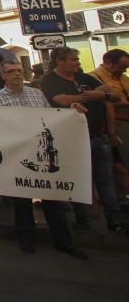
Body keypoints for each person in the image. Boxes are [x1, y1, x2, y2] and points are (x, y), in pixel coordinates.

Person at [0, 59, 87, 259]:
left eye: (19, 70)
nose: (17, 75)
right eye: (11, 71)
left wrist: (73, 111)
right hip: (16, 155)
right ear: (3, 75)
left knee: (52, 201)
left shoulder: (37, 94)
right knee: (21, 200)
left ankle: (63, 241)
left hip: (42, 151)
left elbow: (51, 117)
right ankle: (26, 239)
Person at [41, 47, 129, 235]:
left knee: (105, 179)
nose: (77, 63)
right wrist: (93, 95)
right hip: (73, 140)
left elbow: (113, 95)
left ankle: (114, 220)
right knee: (79, 180)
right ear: (60, 61)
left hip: (98, 137)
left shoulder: (85, 78)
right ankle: (83, 220)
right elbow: (61, 100)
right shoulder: (50, 80)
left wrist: (102, 95)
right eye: (73, 60)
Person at [88, 48, 129, 195]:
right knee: (121, 163)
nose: (123, 71)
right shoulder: (94, 77)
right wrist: (123, 104)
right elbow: (102, 103)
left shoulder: (123, 77)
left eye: (125, 68)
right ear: (108, 63)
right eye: (121, 67)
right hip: (117, 123)